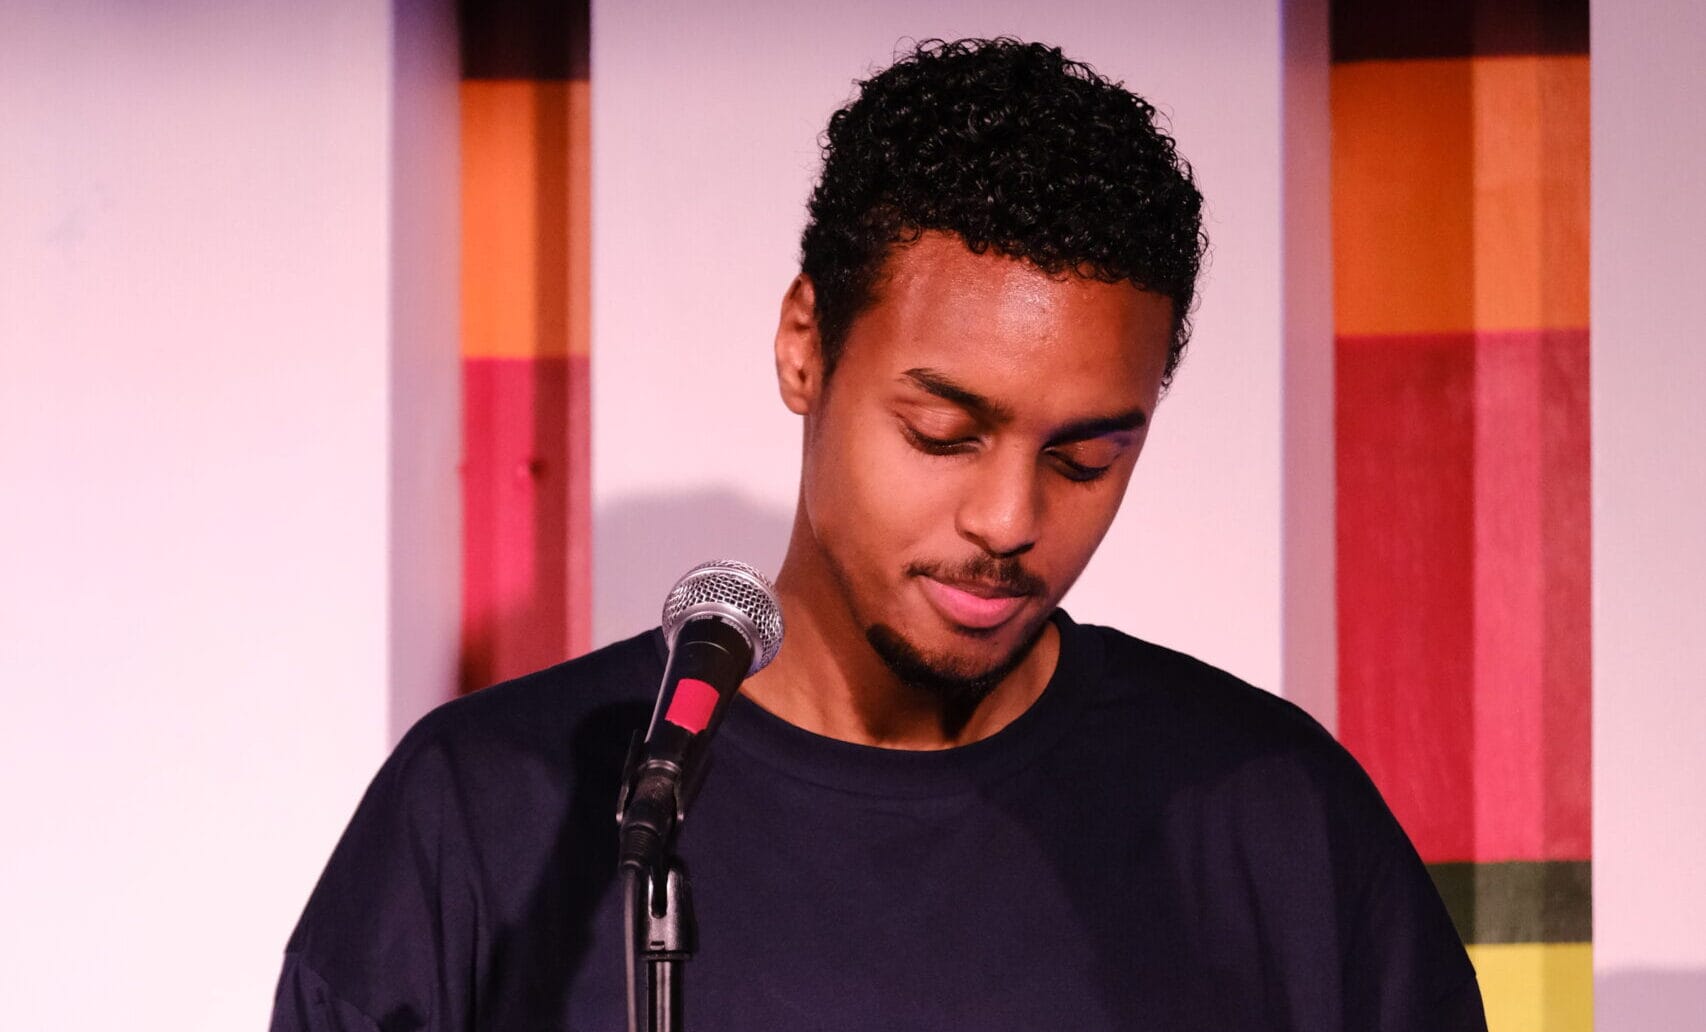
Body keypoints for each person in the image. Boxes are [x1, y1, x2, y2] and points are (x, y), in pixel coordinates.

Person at [272, 38, 1486, 1031]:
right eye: (943, 431)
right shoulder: (495, 816)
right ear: (806, 345)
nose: (1009, 521)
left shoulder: (1275, 822)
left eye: (1085, 458)